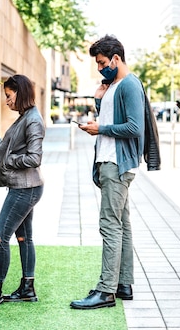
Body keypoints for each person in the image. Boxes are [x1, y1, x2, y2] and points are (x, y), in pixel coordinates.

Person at [70, 35, 146, 310]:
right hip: (110, 162)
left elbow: (134, 128)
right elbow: (112, 120)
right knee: (121, 224)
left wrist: (99, 129)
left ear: (116, 58)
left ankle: (105, 291)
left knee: (110, 225)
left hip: (117, 164)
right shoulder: (114, 86)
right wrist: (100, 102)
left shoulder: (129, 85)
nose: (100, 68)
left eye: (102, 62)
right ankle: (123, 283)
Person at [0, 74, 45, 309]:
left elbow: (34, 158)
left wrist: (10, 161)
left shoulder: (33, 120)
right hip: (24, 186)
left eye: (8, 96)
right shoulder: (24, 117)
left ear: (21, 93)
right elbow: (9, 150)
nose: (6, 101)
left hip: (26, 188)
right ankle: (27, 288)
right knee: (23, 237)